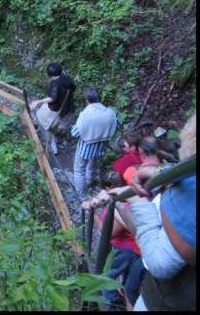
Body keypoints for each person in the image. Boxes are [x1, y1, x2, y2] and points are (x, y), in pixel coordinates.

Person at [111, 114, 196, 311]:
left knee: (130, 283)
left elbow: (161, 263)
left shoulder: (128, 170)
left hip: (167, 293)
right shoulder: (154, 171)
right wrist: (162, 173)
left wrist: (128, 200)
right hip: (142, 257)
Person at [82, 186, 141, 310]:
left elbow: (107, 231)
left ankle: (111, 302)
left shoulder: (122, 206)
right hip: (128, 247)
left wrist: (93, 214)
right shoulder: (123, 202)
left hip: (124, 249)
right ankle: (123, 293)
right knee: (127, 273)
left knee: (106, 276)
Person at [70, 88, 119, 198]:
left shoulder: (86, 114)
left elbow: (75, 133)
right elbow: (117, 125)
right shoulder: (110, 112)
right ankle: (90, 181)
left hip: (85, 147)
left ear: (87, 100)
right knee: (93, 164)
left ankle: (80, 196)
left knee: (79, 170)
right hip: (101, 146)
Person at [29, 62, 76, 156]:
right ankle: (54, 140)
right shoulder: (66, 79)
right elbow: (73, 88)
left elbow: (52, 98)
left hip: (54, 109)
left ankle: (53, 147)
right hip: (62, 108)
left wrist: (37, 101)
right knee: (52, 125)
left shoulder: (56, 84)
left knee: (46, 125)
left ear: (49, 74)